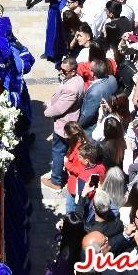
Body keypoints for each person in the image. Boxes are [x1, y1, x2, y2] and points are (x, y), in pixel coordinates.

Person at [42, 59, 84, 191]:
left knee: (58, 152)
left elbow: (60, 108)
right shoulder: (76, 79)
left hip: (64, 124)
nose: (61, 72)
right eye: (60, 69)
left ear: (73, 71)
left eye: (64, 71)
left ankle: (56, 181)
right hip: (67, 121)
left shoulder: (72, 88)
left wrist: (47, 112)